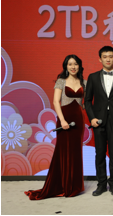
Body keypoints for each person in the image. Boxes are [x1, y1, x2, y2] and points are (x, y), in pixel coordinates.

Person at [25, 56, 86, 199]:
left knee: (76, 152)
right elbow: (55, 102)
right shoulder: (61, 81)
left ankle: (75, 186)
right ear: (66, 66)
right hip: (65, 119)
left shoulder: (84, 82)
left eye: (75, 64)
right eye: (70, 64)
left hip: (78, 121)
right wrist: (62, 120)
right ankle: (63, 186)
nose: (73, 67)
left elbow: (84, 103)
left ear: (79, 66)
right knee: (63, 151)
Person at [84, 46, 113, 196]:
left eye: (110, 56)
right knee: (100, 153)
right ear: (100, 59)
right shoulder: (92, 77)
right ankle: (101, 184)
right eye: (105, 56)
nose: (108, 59)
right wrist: (92, 118)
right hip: (98, 121)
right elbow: (87, 101)